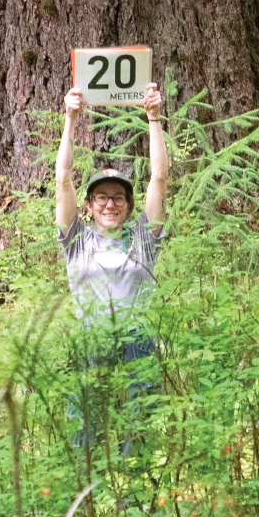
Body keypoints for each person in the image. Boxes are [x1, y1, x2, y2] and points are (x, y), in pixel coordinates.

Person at [55, 90, 170, 457]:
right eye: (101, 197)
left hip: (137, 338)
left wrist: (153, 117)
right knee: (86, 430)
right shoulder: (77, 241)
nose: (109, 203)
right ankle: (88, 498)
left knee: (139, 427)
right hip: (92, 338)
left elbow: (160, 178)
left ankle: (135, 490)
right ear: (89, 205)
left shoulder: (142, 238)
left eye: (118, 197)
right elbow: (62, 182)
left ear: (129, 205)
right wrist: (71, 119)